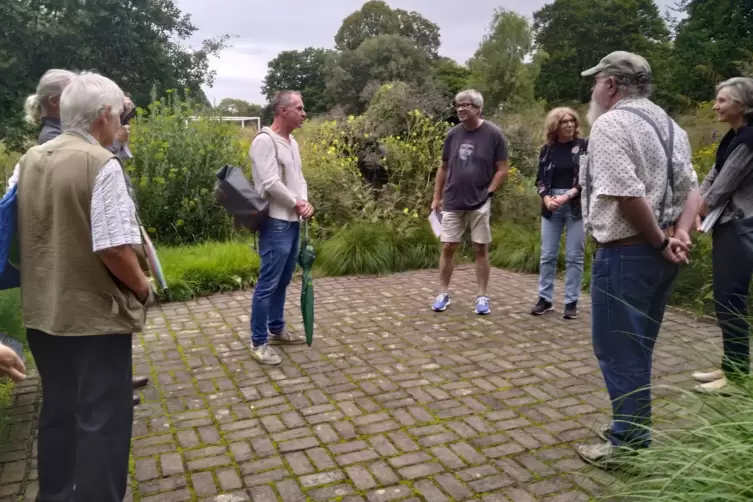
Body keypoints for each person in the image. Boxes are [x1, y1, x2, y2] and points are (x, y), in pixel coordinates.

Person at [16, 71, 155, 501]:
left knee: (58, 411)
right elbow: (114, 249)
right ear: (103, 116)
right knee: (102, 423)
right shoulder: (101, 163)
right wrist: (144, 288)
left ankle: (54, 495)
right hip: (94, 320)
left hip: (42, 314)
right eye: (117, 116)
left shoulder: (30, 159)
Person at [575, 51, 701, 467]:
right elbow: (693, 191)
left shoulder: (611, 124)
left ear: (611, 85)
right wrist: (679, 233)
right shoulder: (671, 126)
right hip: (659, 256)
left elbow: (627, 195)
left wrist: (662, 241)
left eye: (596, 81)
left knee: (618, 350)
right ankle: (628, 428)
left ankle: (627, 446)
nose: (593, 89)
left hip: (627, 255)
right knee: (638, 347)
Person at [691, 77, 753, 393]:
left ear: (741, 105)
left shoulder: (748, 141)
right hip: (727, 226)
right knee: (725, 299)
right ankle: (731, 366)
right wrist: (697, 203)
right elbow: (712, 177)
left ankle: (738, 373)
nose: (716, 105)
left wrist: (697, 207)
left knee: (731, 299)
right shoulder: (733, 137)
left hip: (740, 227)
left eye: (723, 100)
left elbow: (721, 189)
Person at [248, 90, 313, 365]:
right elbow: (271, 183)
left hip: (292, 221)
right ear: (282, 110)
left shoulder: (292, 142)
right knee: (268, 283)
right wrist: (297, 203)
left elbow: (299, 178)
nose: (304, 113)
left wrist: (305, 202)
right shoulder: (264, 142)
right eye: (299, 108)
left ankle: (277, 328)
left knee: (284, 280)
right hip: (275, 222)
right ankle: (258, 341)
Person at [430, 89, 509, 315]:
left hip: (479, 201)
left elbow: (502, 169)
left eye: (466, 105)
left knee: (480, 248)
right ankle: (443, 293)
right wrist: (436, 197)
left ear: (477, 108)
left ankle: (482, 296)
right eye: (458, 105)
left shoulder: (493, 134)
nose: (461, 109)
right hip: (452, 200)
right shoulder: (453, 134)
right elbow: (443, 167)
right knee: (448, 246)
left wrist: (489, 192)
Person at [531, 107, 587, 319]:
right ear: (555, 126)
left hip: (575, 205)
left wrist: (568, 195)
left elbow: (587, 178)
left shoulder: (583, 147)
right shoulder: (547, 149)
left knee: (574, 256)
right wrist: (546, 197)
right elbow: (540, 179)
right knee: (547, 255)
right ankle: (544, 299)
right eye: (564, 122)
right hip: (551, 204)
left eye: (572, 121)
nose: (570, 125)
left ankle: (571, 301)